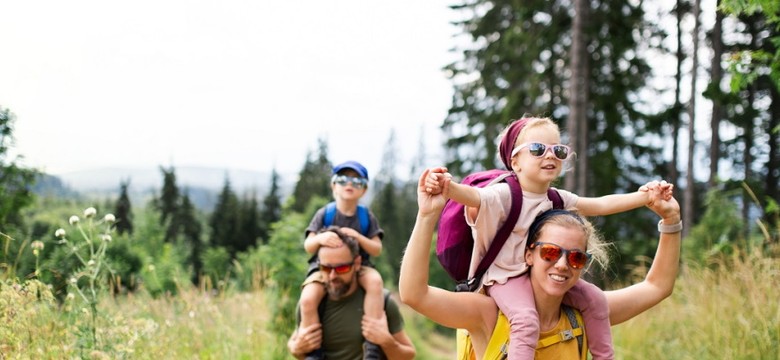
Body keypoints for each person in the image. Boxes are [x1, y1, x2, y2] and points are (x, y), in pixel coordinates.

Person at [424, 117, 673, 359]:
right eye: (537, 149)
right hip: (503, 279)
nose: (550, 155)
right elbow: (472, 197)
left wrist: (645, 197)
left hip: (534, 275)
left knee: (596, 300)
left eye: (558, 150)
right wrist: (447, 186)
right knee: (525, 320)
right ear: (515, 161)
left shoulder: (555, 198)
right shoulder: (503, 194)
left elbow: (600, 204)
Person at [298, 161, 388, 360]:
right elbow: (308, 245)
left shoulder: (365, 216)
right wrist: (320, 238)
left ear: (364, 190)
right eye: (343, 180)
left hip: (360, 264)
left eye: (357, 181)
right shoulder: (325, 213)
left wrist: (358, 237)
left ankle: (372, 346)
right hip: (323, 267)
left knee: (375, 283)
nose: (349, 184)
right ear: (333, 186)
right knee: (307, 299)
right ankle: (313, 351)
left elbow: (377, 248)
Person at [288, 227, 416, 360]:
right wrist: (296, 348)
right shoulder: (311, 303)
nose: (332, 276)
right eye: (325, 268)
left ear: (357, 263)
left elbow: (408, 355)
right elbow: (295, 346)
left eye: (341, 268)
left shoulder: (382, 302)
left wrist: (387, 341)